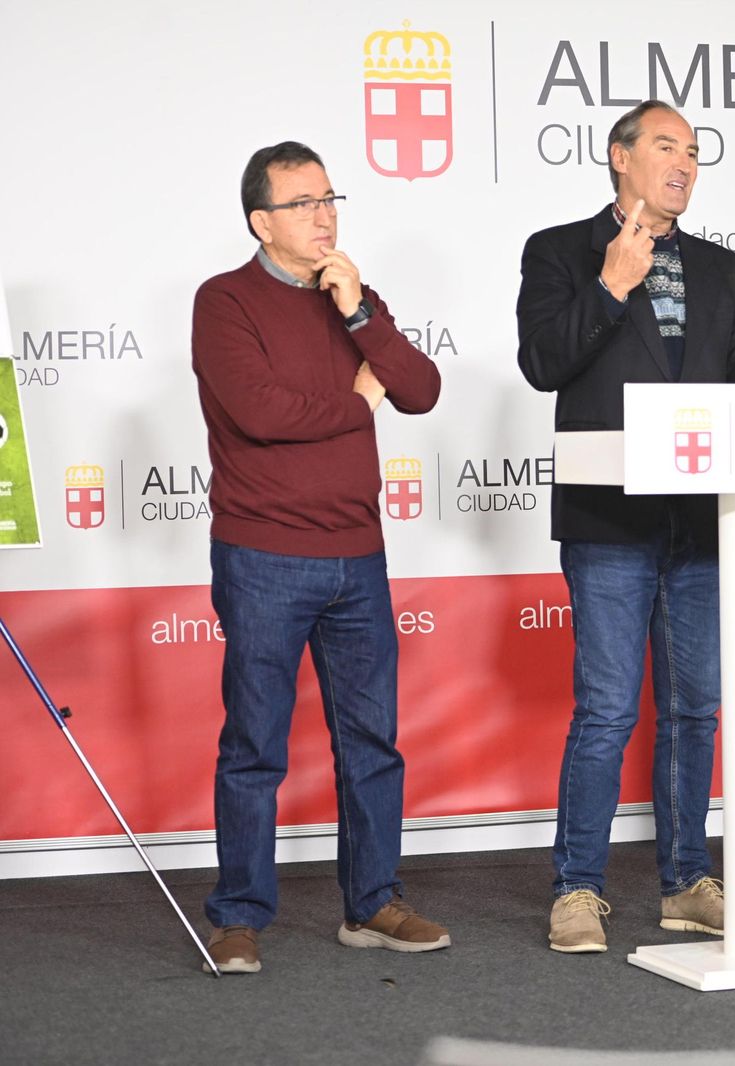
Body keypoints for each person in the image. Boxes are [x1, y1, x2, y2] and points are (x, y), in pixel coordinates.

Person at [516, 100, 735, 953]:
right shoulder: (560, 251)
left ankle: (684, 880)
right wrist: (612, 284)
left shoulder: (719, 265)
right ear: (619, 158)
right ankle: (579, 889)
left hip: (702, 524)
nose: (685, 164)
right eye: (666, 147)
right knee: (606, 709)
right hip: (609, 523)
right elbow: (544, 362)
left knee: (695, 708)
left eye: (695, 152)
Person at [191, 141, 447, 973]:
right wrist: (356, 398)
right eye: (303, 203)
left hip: (359, 558)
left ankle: (372, 903)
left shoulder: (354, 299)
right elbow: (265, 413)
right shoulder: (224, 301)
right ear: (261, 221)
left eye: (330, 198)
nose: (324, 214)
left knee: (372, 741)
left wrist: (361, 318)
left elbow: (420, 389)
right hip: (263, 554)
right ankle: (238, 915)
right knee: (255, 745)